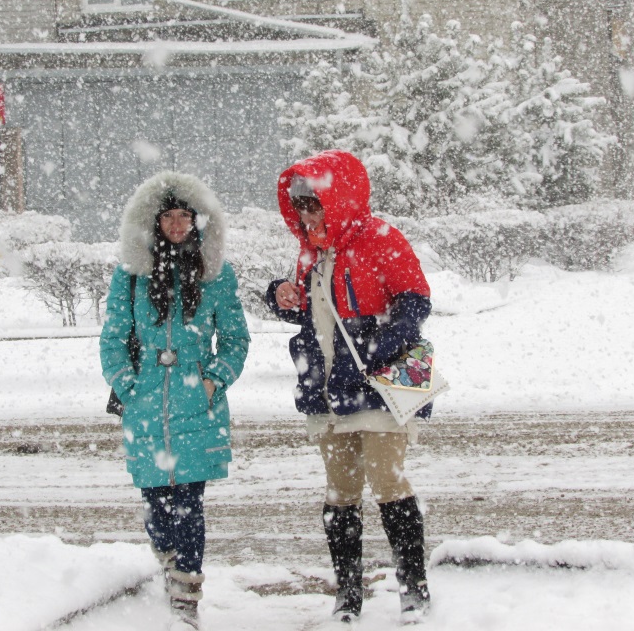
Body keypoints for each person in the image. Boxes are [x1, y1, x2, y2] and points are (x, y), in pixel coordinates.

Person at [264, 150, 434, 624]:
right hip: (326, 385)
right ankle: (348, 595)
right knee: (339, 490)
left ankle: (414, 591)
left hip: (376, 382)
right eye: (299, 205)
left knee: (387, 480)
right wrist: (282, 295)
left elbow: (415, 300)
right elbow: (310, 312)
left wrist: (380, 341)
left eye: (314, 203)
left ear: (338, 197)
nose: (306, 213)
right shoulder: (310, 252)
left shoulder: (380, 238)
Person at [100, 171, 250, 630]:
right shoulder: (130, 278)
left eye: (186, 216)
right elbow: (112, 340)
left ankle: (186, 601)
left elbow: (235, 340)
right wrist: (129, 385)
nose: (179, 224)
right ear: (156, 221)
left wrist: (212, 381)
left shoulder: (215, 275)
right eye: (170, 216)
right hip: (146, 407)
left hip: (195, 406)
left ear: (197, 221)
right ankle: (170, 571)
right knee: (156, 506)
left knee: (188, 504)